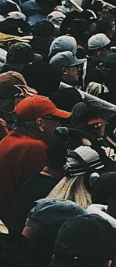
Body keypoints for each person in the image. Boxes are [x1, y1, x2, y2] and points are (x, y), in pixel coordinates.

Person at [0, 95, 70, 231]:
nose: (58, 126)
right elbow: (37, 194)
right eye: (55, 120)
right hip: (13, 225)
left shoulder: (9, 140)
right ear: (40, 124)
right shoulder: (35, 148)